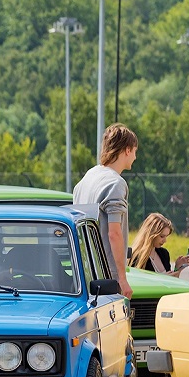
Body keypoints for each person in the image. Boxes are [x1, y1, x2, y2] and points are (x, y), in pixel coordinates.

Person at [73, 123, 138, 299]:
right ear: (127, 150)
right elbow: (114, 233)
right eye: (134, 151)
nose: (135, 157)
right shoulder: (115, 184)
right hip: (107, 276)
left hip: (85, 273)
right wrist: (122, 279)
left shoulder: (88, 178)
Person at [129, 213, 189, 277]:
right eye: (162, 236)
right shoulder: (136, 257)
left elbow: (171, 281)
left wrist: (177, 268)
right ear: (151, 234)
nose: (165, 241)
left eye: (166, 236)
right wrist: (162, 278)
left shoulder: (164, 253)